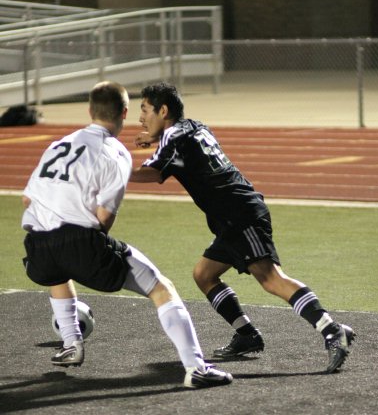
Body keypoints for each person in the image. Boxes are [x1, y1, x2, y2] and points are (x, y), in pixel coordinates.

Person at [129, 82, 356, 373]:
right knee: (204, 274)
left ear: (163, 110)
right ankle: (247, 335)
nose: (140, 118)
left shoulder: (173, 137)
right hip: (234, 215)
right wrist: (156, 137)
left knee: (271, 278)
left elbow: (152, 173)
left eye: (145, 110)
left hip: (240, 215)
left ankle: (331, 329)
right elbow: (179, 145)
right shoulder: (194, 127)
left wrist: (114, 169)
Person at [21, 80, 232, 389]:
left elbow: (28, 199)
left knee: (58, 269)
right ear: (124, 112)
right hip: (80, 242)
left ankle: (71, 344)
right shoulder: (115, 153)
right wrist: (86, 248)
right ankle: (195, 367)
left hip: (36, 248)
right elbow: (104, 219)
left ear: (90, 110)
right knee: (161, 287)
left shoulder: (57, 144)